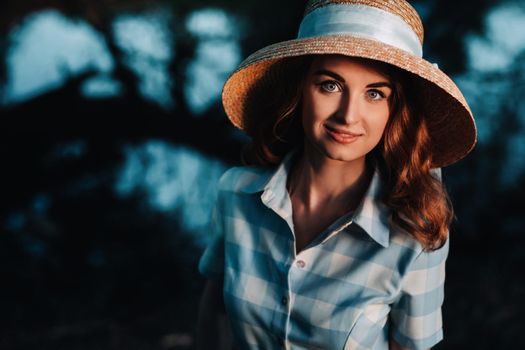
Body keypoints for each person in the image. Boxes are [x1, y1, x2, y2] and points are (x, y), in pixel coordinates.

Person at [196, 0, 477, 349]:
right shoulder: (236, 194)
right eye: (330, 85)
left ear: (395, 110)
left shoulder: (415, 233)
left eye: (375, 93)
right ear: (299, 90)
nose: (348, 116)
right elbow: (214, 319)